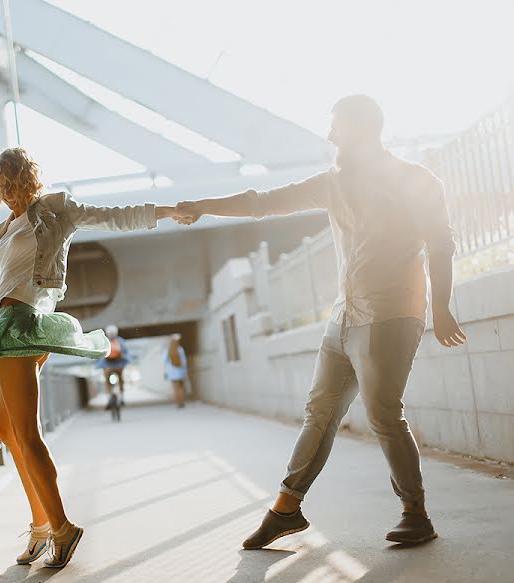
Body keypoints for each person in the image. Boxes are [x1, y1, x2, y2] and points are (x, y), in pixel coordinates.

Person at [175, 94, 466, 548]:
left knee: (384, 415)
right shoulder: (332, 183)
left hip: (390, 313)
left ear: (361, 128)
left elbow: (441, 244)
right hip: (344, 317)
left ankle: (415, 512)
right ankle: (285, 509)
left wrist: (443, 306)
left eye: (337, 127)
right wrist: (204, 204)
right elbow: (262, 203)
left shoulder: (414, 180)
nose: (330, 136)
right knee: (320, 411)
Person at [0, 147, 181, 567]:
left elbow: (115, 215)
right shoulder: (12, 223)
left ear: (26, 180)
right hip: (8, 324)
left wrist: (165, 210)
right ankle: (40, 525)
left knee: (26, 434)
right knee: (8, 430)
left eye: (10, 185)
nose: (6, 194)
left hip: (23, 323)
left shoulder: (57, 209)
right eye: (0, 188)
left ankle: (62, 528)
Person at [96, 324, 130, 406]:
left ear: (107, 333)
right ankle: (122, 397)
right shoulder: (120, 341)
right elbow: (125, 352)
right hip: (119, 365)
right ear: (116, 333)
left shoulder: (104, 341)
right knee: (121, 379)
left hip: (107, 366)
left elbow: (100, 354)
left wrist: (98, 363)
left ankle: (109, 397)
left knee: (107, 381)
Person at [163, 334, 189, 408]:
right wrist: (185, 371)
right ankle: (182, 402)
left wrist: (165, 372)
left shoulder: (167, 350)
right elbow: (184, 361)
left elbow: (164, 362)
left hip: (171, 373)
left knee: (175, 388)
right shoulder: (180, 349)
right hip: (180, 371)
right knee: (181, 388)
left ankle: (177, 403)